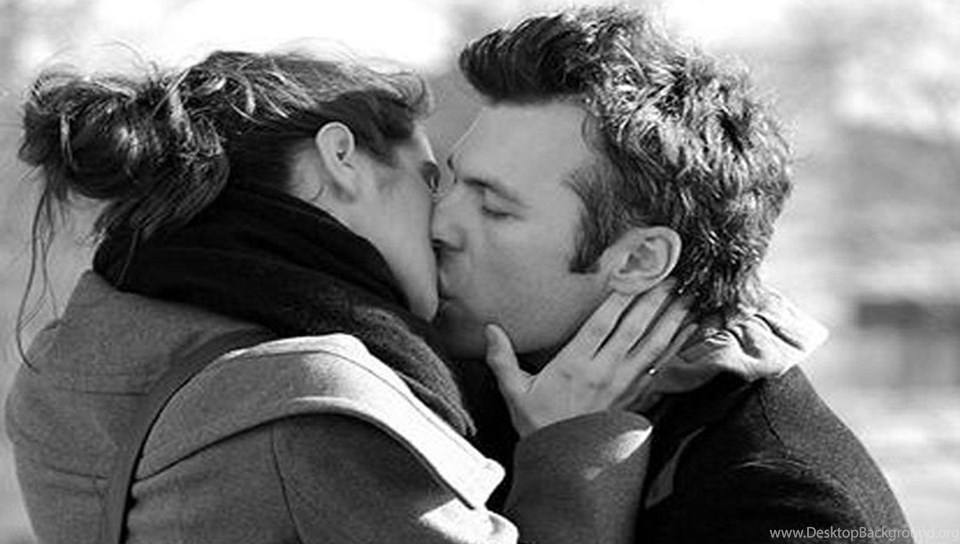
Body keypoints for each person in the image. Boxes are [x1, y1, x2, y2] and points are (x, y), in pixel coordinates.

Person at [5, 50, 685, 543]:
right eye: (429, 179)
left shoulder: (61, 369)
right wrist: (572, 445)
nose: (442, 221)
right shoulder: (316, 401)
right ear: (342, 158)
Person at [432, 6, 914, 543]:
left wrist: (573, 460)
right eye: (448, 184)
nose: (439, 225)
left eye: (493, 209)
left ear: (639, 261)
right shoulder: (467, 388)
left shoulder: (793, 505)